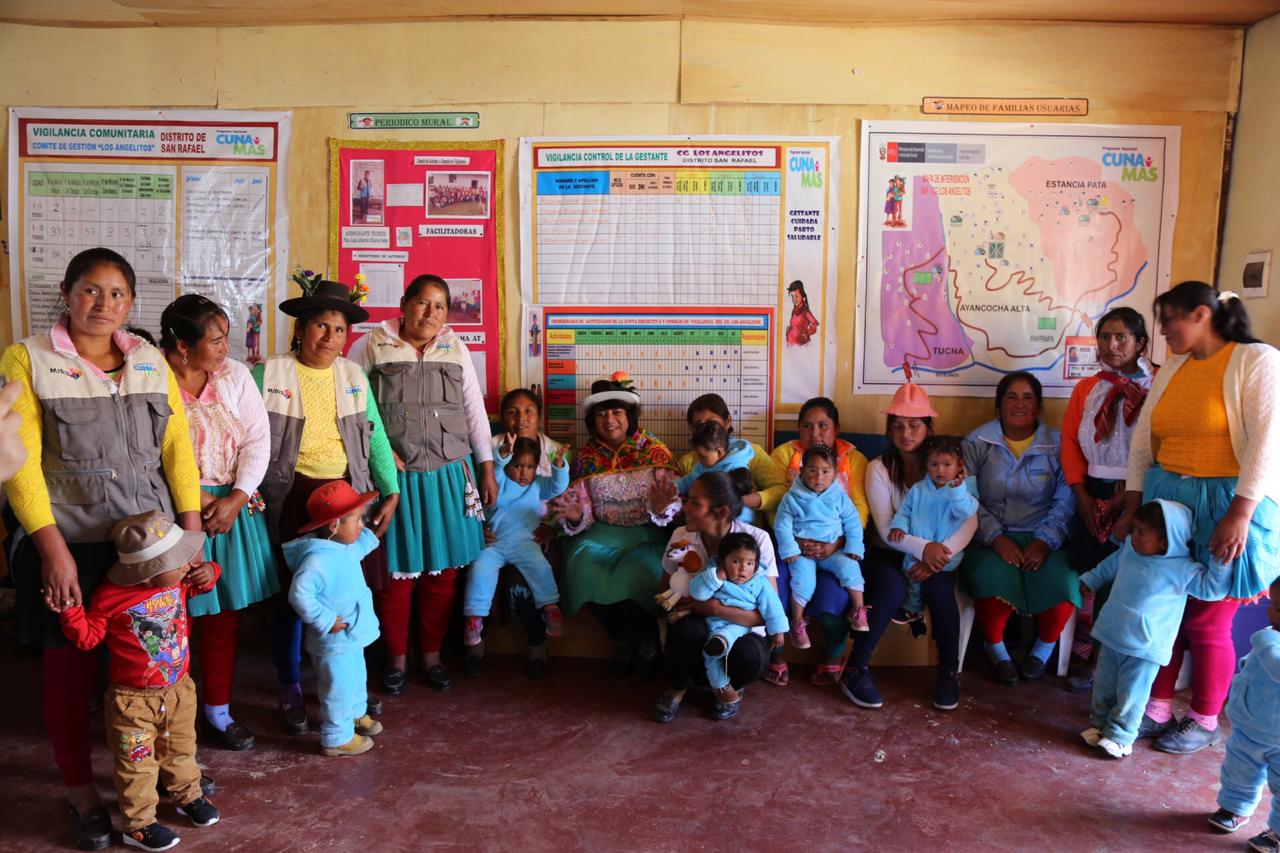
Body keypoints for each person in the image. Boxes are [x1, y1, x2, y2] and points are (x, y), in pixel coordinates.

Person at [0, 247, 204, 850]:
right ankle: (80, 788)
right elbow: (21, 464)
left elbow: (177, 449)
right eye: (90, 289)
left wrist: (189, 535)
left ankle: (159, 777)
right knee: (69, 671)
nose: (103, 303)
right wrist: (51, 549)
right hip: (70, 544)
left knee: (152, 669)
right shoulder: (28, 358)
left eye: (116, 294)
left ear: (131, 303)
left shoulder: (147, 359)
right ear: (67, 292)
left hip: (150, 550)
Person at [1117, 281, 1280, 754]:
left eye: (1170, 319)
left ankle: (1205, 718)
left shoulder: (1256, 360)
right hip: (1169, 505)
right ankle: (1157, 708)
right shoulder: (1175, 366)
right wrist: (1133, 502)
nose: (1163, 330)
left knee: (1208, 619)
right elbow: (1144, 440)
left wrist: (1240, 513)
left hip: (1228, 504)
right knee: (1166, 608)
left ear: (1202, 315)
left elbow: (1267, 441)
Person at [256, 276, 400, 734]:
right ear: (300, 329)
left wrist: (391, 489)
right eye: (320, 326)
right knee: (293, 596)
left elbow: (374, 435)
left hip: (345, 496)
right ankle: (290, 685)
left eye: (339, 330)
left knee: (344, 593)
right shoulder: (268, 374)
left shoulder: (353, 376)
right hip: (291, 497)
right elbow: (247, 437)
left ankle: (347, 688)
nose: (330, 338)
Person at [347, 274, 495, 695]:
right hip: (394, 479)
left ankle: (430, 656)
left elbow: (473, 409)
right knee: (396, 573)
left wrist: (485, 466)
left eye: (439, 306)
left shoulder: (456, 348)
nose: (430, 313)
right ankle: (395, 658)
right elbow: (352, 408)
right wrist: (377, 454)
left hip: (449, 472)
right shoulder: (370, 345)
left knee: (443, 574)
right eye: (422, 303)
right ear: (404, 304)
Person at [56, 511, 221, 852]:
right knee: (137, 764)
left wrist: (211, 571)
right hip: (132, 704)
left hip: (179, 691)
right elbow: (87, 638)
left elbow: (205, 581)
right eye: (179, 560)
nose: (187, 563)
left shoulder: (176, 581)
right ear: (150, 572)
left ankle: (187, 795)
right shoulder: (110, 596)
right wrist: (70, 611)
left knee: (182, 748)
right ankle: (139, 824)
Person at [160, 294, 275, 752]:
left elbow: (258, 439)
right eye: (216, 340)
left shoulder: (235, 376)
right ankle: (171, 721)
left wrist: (237, 498)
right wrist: (201, 500)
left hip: (231, 511)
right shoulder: (151, 377)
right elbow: (146, 452)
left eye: (226, 337)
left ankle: (218, 711)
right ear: (183, 346)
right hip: (172, 513)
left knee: (223, 619)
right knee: (171, 623)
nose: (226, 348)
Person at [843, 372, 974, 711]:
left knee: (940, 590)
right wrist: (923, 550)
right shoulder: (879, 469)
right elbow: (887, 529)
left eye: (914, 425)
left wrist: (939, 556)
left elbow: (970, 519)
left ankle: (949, 672)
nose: (906, 433)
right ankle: (855, 668)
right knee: (892, 585)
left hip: (940, 555)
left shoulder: (948, 465)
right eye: (898, 426)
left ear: (928, 428)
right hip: (889, 552)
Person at [551, 371, 680, 679]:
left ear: (630, 416)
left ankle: (648, 642)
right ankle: (621, 640)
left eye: (617, 412)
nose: (609, 420)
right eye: (601, 414)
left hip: (647, 534)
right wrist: (575, 516)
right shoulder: (586, 457)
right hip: (601, 535)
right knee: (581, 567)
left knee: (639, 572)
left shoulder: (655, 451)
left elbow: (674, 501)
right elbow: (581, 505)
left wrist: (662, 507)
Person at [1079, 500, 1230, 759]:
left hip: (1144, 648)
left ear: (1164, 542)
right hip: (1112, 634)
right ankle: (1099, 725)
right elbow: (1109, 566)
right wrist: (1091, 579)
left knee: (1131, 694)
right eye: (1134, 529)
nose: (1133, 536)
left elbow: (1211, 589)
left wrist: (1220, 562)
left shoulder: (1182, 569)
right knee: (1103, 687)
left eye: (1141, 533)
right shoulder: (1130, 551)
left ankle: (1121, 737)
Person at [961, 371, 1077, 687]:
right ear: (999, 404)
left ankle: (1044, 648)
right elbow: (966, 498)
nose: (1019, 404)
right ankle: (997, 650)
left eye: (1028, 397)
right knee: (990, 579)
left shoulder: (1058, 444)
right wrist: (994, 537)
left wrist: (1045, 541)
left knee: (1064, 583)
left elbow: (1066, 499)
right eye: (1011, 397)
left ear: (1039, 405)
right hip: (989, 537)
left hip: (1044, 535)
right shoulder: (976, 442)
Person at [1060, 307, 1155, 691]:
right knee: (1094, 572)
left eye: (1121, 337)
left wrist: (1131, 493)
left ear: (1140, 343)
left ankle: (1106, 661)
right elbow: (1070, 443)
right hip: (1093, 491)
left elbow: (1158, 444)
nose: (1111, 345)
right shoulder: (1087, 388)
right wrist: (1082, 494)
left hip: (1139, 494)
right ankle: (1087, 649)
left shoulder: (1157, 385)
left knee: (1125, 576)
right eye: (1104, 337)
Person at [652, 471, 780, 722]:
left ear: (720, 512)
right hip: (699, 629)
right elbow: (663, 589)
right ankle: (676, 688)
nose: (685, 507)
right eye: (687, 499)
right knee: (686, 630)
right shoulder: (681, 536)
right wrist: (675, 600)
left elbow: (766, 613)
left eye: (695, 503)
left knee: (750, 655)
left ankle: (729, 689)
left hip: (741, 630)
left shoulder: (757, 540)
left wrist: (712, 608)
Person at [467, 388, 572, 680]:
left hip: (533, 538)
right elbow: (473, 495)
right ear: (502, 417)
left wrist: (553, 528)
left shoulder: (554, 452)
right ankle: (474, 647)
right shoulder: (488, 451)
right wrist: (476, 531)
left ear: (540, 416)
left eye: (528, 411)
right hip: (493, 538)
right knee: (476, 573)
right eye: (512, 412)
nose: (520, 418)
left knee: (528, 583)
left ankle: (538, 646)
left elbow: (564, 496)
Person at [770, 397, 870, 685]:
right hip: (792, 546)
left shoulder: (854, 460)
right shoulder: (784, 455)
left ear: (836, 428)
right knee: (776, 585)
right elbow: (777, 507)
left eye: (823, 425)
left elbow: (858, 511)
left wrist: (839, 543)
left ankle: (833, 654)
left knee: (834, 592)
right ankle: (776, 652)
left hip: (835, 545)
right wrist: (795, 543)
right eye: (807, 425)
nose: (814, 432)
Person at [284, 481, 386, 757]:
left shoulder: (343, 546)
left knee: (356, 677)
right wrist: (326, 619)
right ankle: (337, 738)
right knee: (337, 688)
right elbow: (299, 594)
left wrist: (377, 525)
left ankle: (355, 715)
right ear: (334, 526)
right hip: (333, 641)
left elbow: (363, 543)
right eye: (357, 520)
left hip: (350, 638)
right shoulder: (317, 561)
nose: (362, 524)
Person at [462, 436, 569, 646]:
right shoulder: (498, 480)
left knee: (541, 568)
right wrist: (504, 453)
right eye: (518, 465)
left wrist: (558, 467)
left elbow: (557, 487)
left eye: (530, 467)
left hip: (525, 544)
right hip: (493, 545)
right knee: (479, 570)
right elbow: (495, 467)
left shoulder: (538, 484)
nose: (524, 472)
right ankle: (474, 618)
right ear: (508, 464)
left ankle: (550, 608)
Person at [1207, 578, 1280, 852]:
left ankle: (1277, 833)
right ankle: (1235, 808)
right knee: (1239, 772)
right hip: (1249, 725)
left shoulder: (1268, 640)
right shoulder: (1272, 636)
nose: (1270, 612)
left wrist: (1266, 641)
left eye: (1279, 609)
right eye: (1273, 604)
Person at [775, 443, 867, 643]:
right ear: (801, 471)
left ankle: (858, 610)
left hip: (833, 550)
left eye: (825, 471)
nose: (819, 477)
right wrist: (790, 548)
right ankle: (797, 622)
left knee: (851, 568)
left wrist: (853, 547)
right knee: (803, 583)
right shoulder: (791, 498)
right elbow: (782, 525)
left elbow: (853, 522)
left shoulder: (840, 497)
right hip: (803, 553)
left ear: (835, 474)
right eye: (812, 471)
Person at [688, 533, 788, 713]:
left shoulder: (759, 582)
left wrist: (778, 632)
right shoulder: (713, 574)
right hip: (714, 623)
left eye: (749, 563)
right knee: (710, 652)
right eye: (736, 561)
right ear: (722, 561)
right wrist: (715, 578)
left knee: (719, 644)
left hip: (740, 625)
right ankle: (721, 684)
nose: (743, 568)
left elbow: (773, 606)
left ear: (756, 564)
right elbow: (698, 593)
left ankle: (721, 650)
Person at [888, 435, 978, 621]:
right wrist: (899, 527)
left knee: (934, 588)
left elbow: (967, 511)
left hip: (945, 556)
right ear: (927, 465)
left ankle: (915, 610)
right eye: (934, 464)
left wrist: (957, 492)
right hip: (918, 548)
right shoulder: (919, 489)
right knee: (911, 574)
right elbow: (905, 511)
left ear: (959, 465)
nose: (940, 470)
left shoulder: (965, 488)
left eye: (947, 464)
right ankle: (913, 610)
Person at [679, 393, 786, 527]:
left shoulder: (751, 453)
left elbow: (780, 490)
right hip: (703, 533)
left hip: (747, 531)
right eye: (698, 425)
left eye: (712, 422)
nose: (706, 429)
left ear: (728, 421)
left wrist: (746, 500)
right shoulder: (687, 462)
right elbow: (680, 505)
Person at [675, 421, 756, 520]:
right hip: (708, 517)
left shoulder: (736, 468)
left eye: (702, 456)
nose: (699, 459)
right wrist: (674, 487)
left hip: (736, 519)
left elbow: (737, 501)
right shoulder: (702, 466)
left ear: (719, 452)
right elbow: (689, 480)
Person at [785, 280, 819, 347]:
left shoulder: (806, 311)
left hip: (802, 347)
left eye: (796, 296)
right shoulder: (794, 310)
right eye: (792, 296)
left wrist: (806, 334)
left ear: (802, 295)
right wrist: (789, 330)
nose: (794, 299)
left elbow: (814, 325)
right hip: (790, 346)